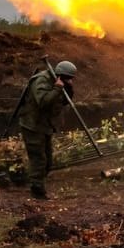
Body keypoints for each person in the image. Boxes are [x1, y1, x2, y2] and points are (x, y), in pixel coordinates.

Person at [18, 60, 77, 199]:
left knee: (48, 161)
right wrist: (57, 89)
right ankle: (37, 191)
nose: (69, 80)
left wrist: (68, 88)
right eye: (68, 78)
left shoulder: (59, 81)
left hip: (45, 125)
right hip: (32, 125)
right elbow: (43, 102)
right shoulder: (41, 80)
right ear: (60, 75)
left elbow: (63, 102)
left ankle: (36, 182)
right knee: (38, 159)